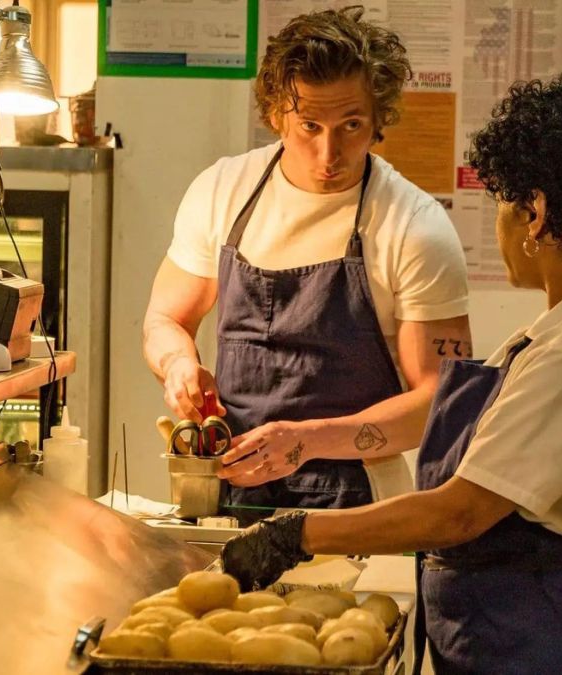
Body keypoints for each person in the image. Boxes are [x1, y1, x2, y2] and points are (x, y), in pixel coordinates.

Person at [221, 74, 562, 673]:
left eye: (501, 200)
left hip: (561, 637)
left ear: (535, 214)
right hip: (535, 627)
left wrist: (295, 536)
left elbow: (458, 513)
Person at [142, 7, 471, 508]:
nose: (329, 153)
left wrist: (308, 441)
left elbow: (439, 401)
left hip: (358, 503)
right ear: (276, 114)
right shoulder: (223, 192)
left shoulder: (414, 226)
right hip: (229, 488)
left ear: (380, 117)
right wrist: (178, 365)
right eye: (310, 125)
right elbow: (166, 318)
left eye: (351, 124)